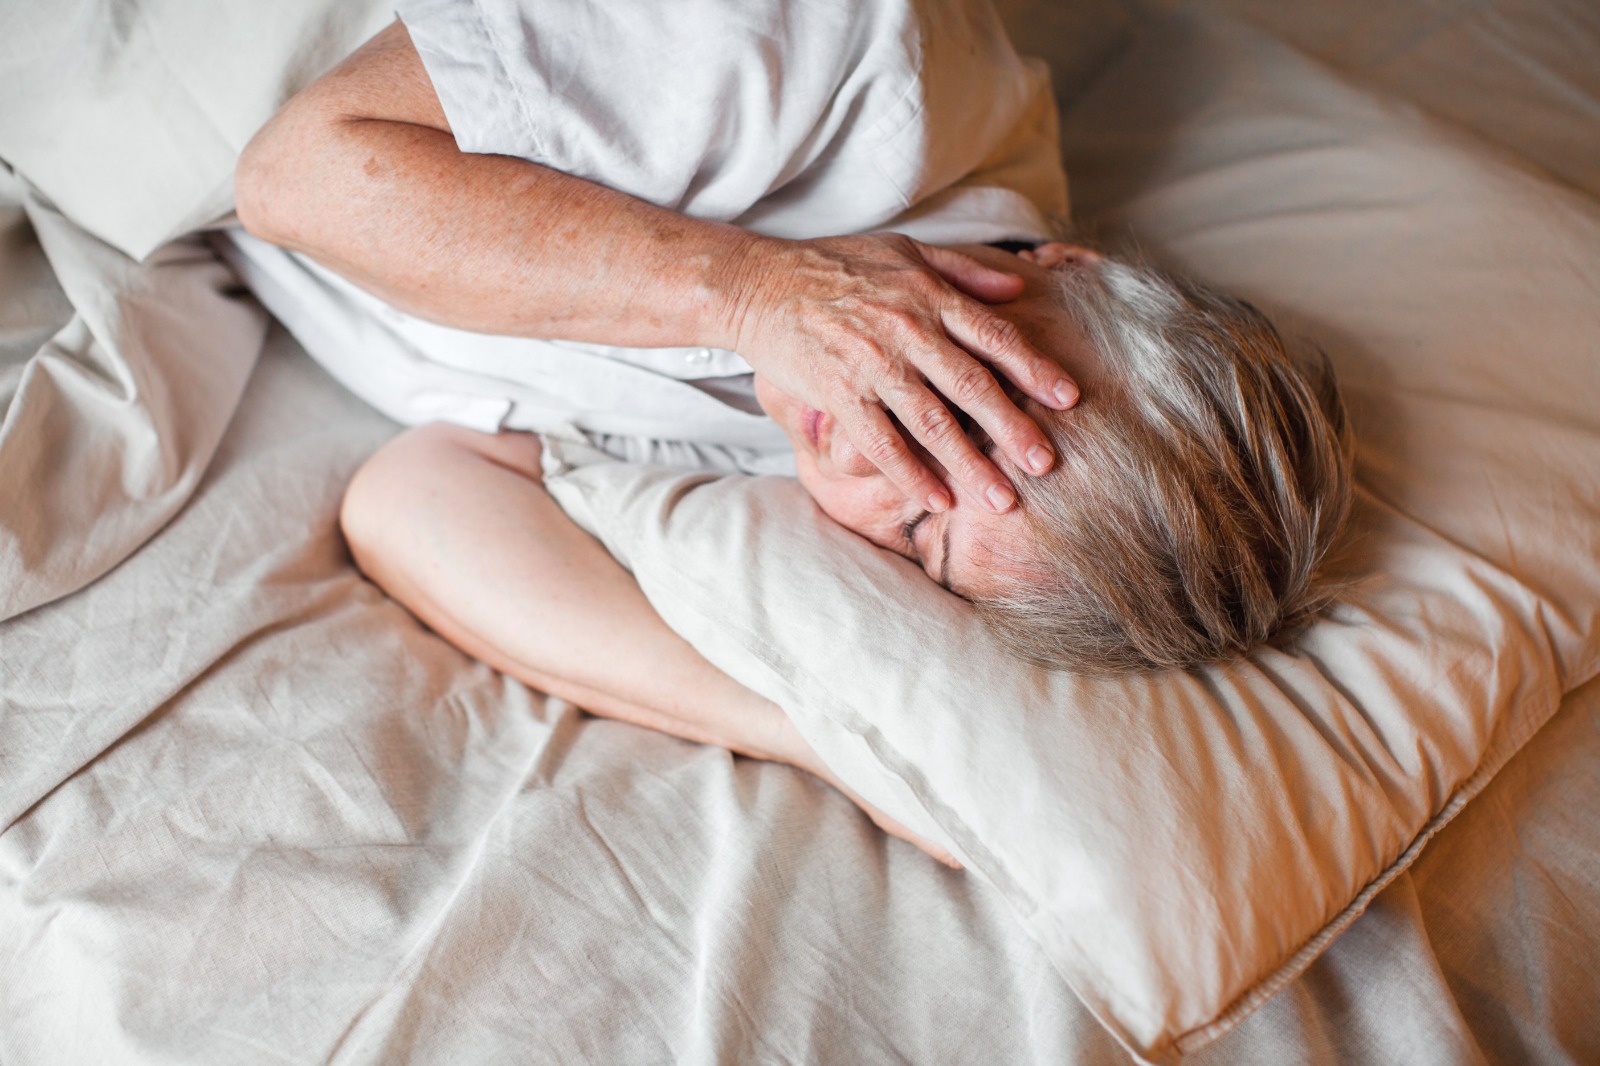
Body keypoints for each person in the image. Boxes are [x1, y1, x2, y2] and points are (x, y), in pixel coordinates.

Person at [228, 1, 1352, 863]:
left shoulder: (808, 463)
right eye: (969, 398)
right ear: (1070, 269)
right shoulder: (816, 53)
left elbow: (414, 492)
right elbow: (298, 174)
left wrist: (810, 733)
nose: (873, 448)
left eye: (919, 530)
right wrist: (754, 292)